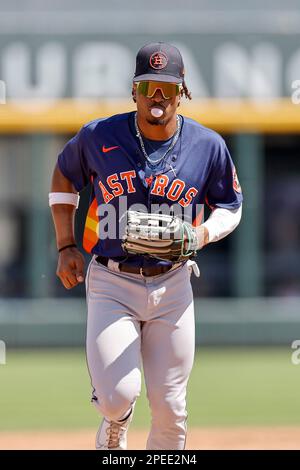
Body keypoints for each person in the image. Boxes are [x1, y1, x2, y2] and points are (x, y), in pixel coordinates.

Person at [49, 42, 243, 450]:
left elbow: (231, 204)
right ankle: (115, 423)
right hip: (112, 280)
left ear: (182, 92)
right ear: (134, 90)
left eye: (167, 88)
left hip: (173, 284)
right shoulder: (99, 135)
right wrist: (66, 244)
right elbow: (65, 176)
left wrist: (201, 234)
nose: (158, 97)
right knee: (118, 397)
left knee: (171, 409)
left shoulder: (207, 145)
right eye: (149, 86)